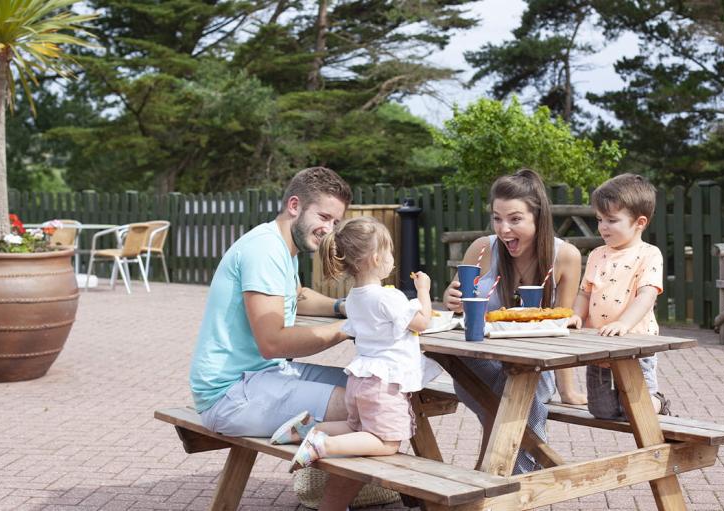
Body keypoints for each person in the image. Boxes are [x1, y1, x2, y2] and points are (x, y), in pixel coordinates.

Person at [188, 166, 362, 507]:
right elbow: (273, 343)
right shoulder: (264, 250)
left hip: (261, 376)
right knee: (364, 406)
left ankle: (312, 441)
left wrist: (348, 306)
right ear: (295, 205)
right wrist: (347, 330)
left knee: (367, 386)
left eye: (336, 222)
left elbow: (299, 296)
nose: (329, 230)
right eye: (324, 217)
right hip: (230, 393)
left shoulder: (280, 245)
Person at [441, 168, 583, 473]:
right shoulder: (481, 249)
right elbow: (455, 306)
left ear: (538, 217)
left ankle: (490, 479)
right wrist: (450, 299)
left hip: (534, 367)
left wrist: (568, 391)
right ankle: (517, 480)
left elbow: (564, 324)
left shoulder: (566, 256)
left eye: (515, 219)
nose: (504, 229)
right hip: (479, 361)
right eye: (497, 218)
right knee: (510, 400)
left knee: (516, 396)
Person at [273, 216, 441, 472]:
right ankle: (322, 446)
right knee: (387, 443)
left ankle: (307, 429)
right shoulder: (388, 297)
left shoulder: (353, 299)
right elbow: (422, 323)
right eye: (390, 252)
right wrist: (424, 291)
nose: (392, 258)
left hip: (359, 380)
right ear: (376, 258)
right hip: (384, 384)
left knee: (356, 427)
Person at [567, 173, 672, 418]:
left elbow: (647, 296)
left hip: (635, 343)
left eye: (612, 220)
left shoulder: (649, 254)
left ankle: (657, 402)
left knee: (635, 409)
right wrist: (575, 315)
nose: (603, 226)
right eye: (600, 219)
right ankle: (625, 403)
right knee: (601, 410)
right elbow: (585, 292)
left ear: (640, 222)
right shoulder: (596, 254)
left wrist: (623, 323)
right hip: (599, 344)